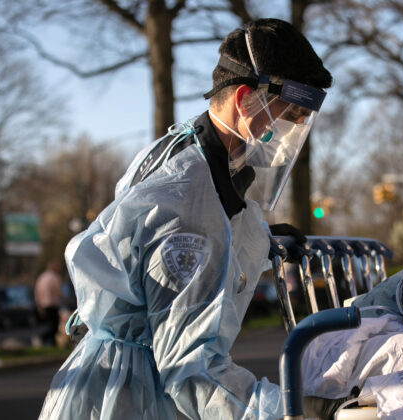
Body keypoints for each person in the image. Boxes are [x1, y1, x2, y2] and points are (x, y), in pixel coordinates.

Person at [39, 18, 332, 420]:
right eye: (291, 114)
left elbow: (146, 255)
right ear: (246, 99)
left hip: (113, 383)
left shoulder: (184, 148)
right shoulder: (188, 205)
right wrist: (295, 410)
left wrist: (255, 239)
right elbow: (192, 373)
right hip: (130, 399)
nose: (293, 129)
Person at [34, 260, 63, 346]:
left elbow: (37, 291)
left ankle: (49, 342)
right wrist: (64, 298)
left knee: (49, 325)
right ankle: (43, 339)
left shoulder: (42, 277)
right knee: (54, 326)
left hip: (43, 304)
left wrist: (39, 305)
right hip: (51, 304)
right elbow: (56, 290)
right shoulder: (54, 277)